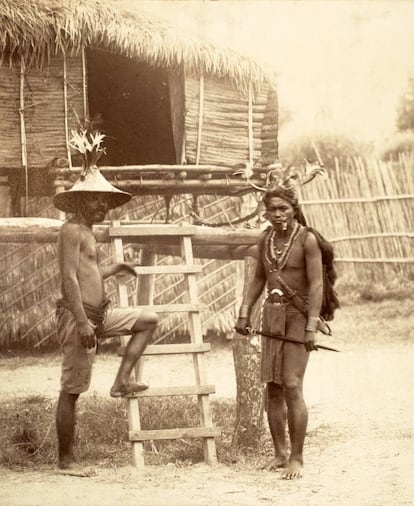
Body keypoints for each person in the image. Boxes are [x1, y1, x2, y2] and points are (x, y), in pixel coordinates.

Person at [53, 166, 158, 476]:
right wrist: (83, 322)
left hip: (98, 315)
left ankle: (121, 380)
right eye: (96, 201)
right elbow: (69, 279)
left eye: (104, 202)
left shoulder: (88, 232)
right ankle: (65, 461)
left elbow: (89, 273)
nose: (102, 207)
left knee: (148, 319)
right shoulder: (71, 230)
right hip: (79, 318)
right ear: (79, 201)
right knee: (72, 389)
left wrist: (114, 267)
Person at [235, 170, 332, 480]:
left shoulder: (308, 240)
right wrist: (244, 312)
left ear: (294, 208)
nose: (276, 215)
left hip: (298, 317)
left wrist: (311, 327)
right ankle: (279, 454)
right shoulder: (265, 240)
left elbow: (317, 285)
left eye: (283, 209)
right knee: (273, 388)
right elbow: (258, 280)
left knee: (291, 384)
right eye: (271, 209)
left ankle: (297, 458)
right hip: (271, 315)